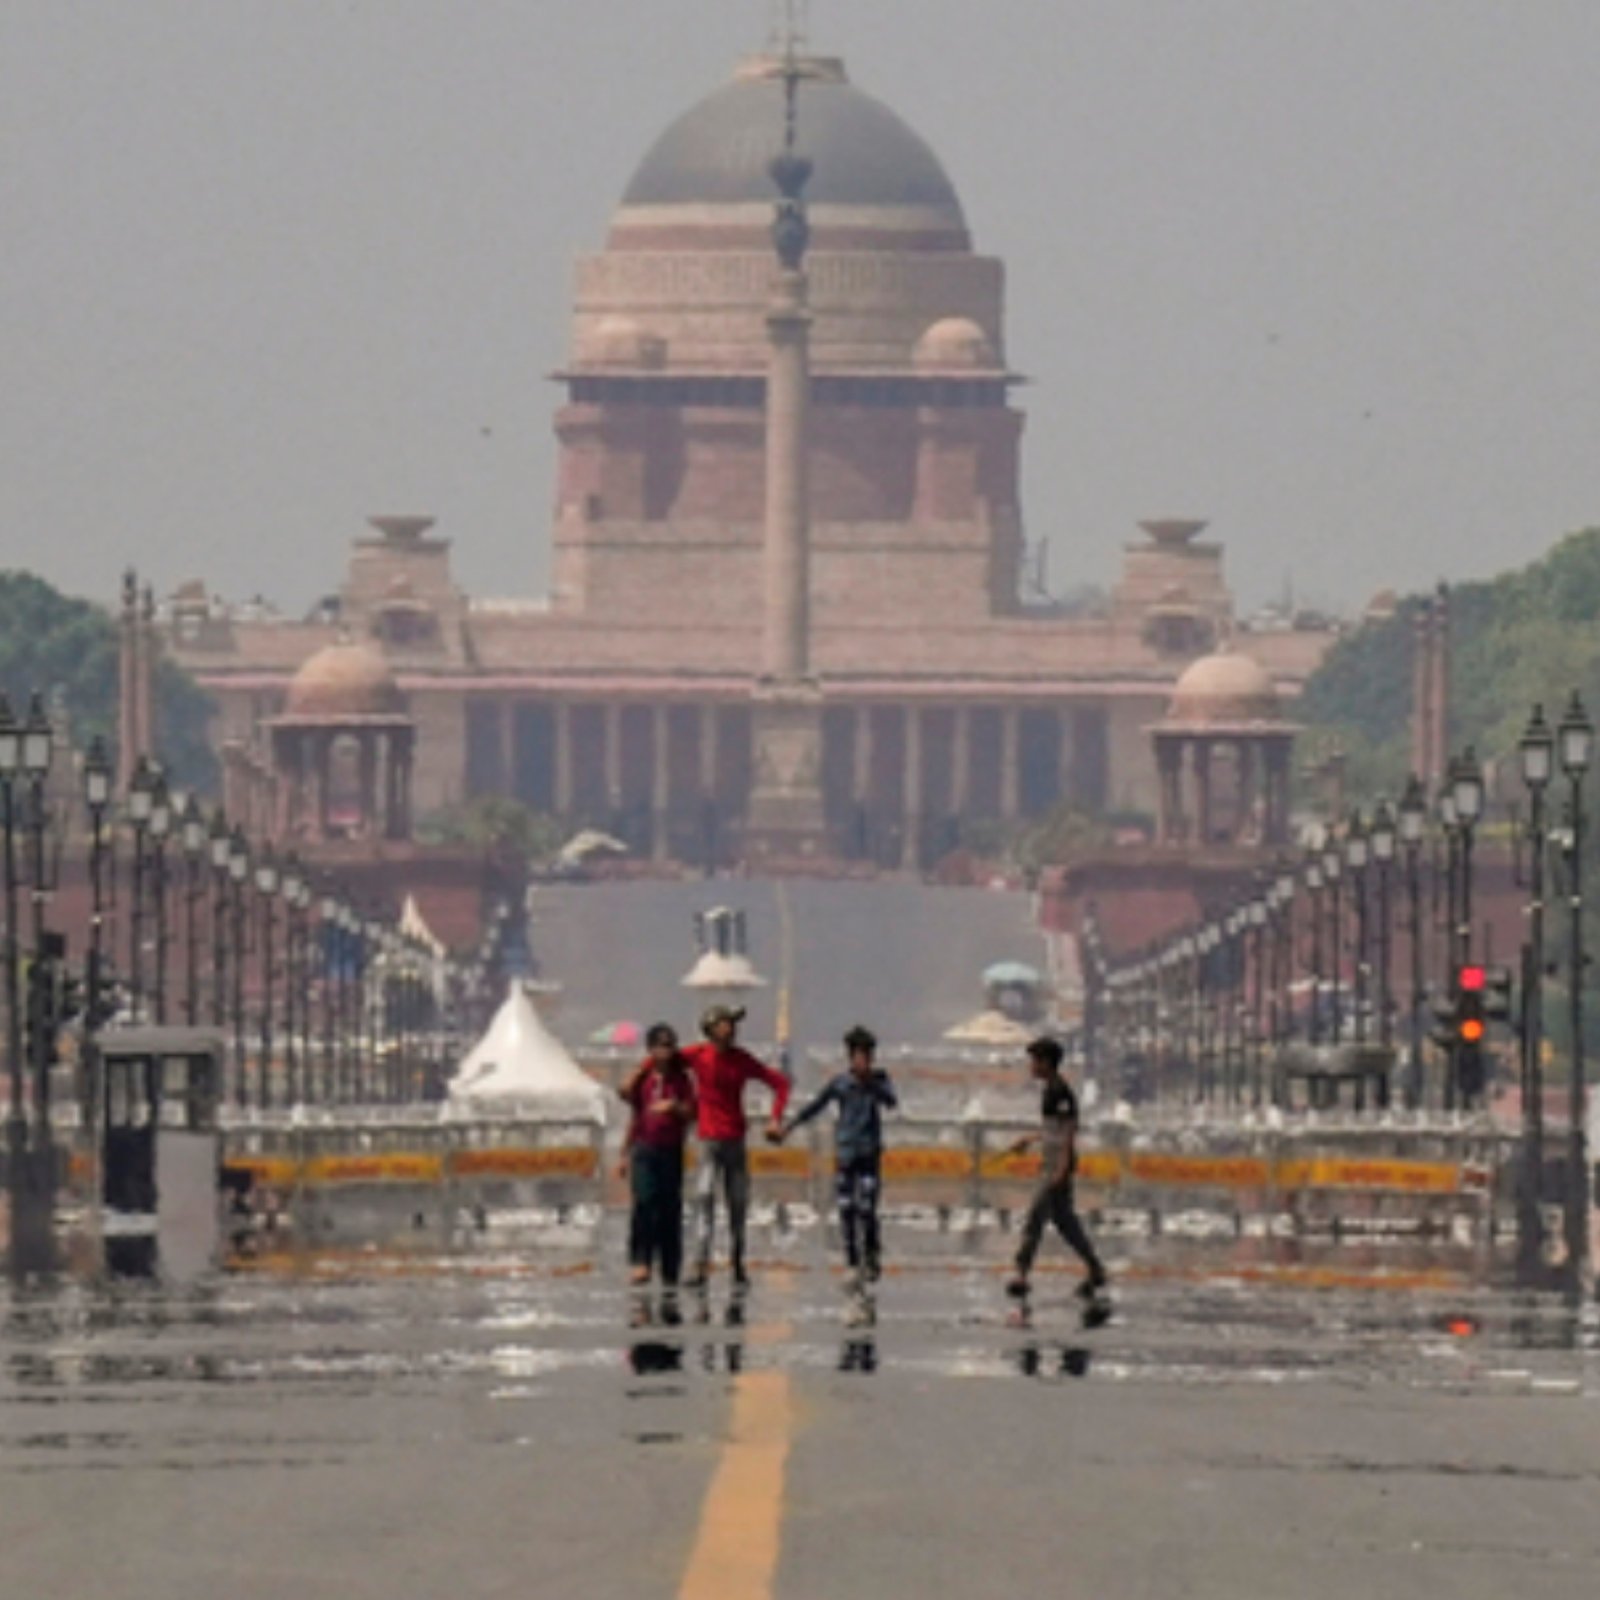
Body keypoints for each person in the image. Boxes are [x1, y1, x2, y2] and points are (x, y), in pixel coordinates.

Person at [774, 1025, 897, 1286]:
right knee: (846, 1207)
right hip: (846, 1152)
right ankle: (851, 1260)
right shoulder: (841, 1084)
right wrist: (789, 1126)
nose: (862, 1062)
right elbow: (816, 1106)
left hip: (869, 1153)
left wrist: (872, 1085)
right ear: (851, 1058)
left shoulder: (879, 1080)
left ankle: (871, 1252)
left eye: (866, 1057)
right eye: (858, 1057)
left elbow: (891, 1101)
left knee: (867, 1207)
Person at [682, 1003, 790, 1291]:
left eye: (732, 1025)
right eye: (725, 1024)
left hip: (734, 1139)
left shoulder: (741, 1060)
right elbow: (664, 1063)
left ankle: (738, 1263)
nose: (731, 1030)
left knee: (737, 1203)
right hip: (708, 1139)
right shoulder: (698, 1055)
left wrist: (775, 1119)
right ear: (711, 1029)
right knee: (704, 1199)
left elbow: (780, 1084)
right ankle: (700, 1264)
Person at [1006, 1035, 1108, 1304]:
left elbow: (1067, 1133)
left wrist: (1062, 1169)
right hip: (1050, 1162)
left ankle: (1021, 1273)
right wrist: (1029, 1140)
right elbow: (1052, 1131)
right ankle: (1095, 1268)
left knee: (1035, 1217)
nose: (1031, 1066)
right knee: (1065, 1223)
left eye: (1034, 1061)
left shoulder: (1061, 1092)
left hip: (1056, 1166)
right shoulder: (1050, 1090)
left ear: (1047, 1062)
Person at [618, 1023, 697, 1297]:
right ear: (651, 1049)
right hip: (645, 1149)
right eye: (660, 1046)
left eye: (669, 1046)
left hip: (671, 1150)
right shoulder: (644, 1078)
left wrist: (673, 1107)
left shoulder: (681, 1080)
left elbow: (692, 1113)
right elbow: (627, 1100)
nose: (665, 1051)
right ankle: (641, 1260)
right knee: (644, 1202)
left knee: (669, 1208)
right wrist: (624, 1154)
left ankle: (670, 1265)